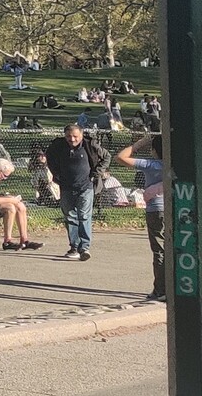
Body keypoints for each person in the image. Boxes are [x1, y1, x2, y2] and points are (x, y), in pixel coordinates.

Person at [114, 135, 168, 301]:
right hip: (173, 207)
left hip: (156, 209)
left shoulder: (152, 165)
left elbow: (121, 157)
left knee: (159, 249)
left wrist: (139, 144)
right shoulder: (176, 165)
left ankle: (161, 289)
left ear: (154, 150)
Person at [44, 124, 108, 261]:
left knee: (84, 216)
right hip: (66, 187)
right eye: (69, 136)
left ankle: (84, 247)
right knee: (70, 216)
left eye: (75, 136)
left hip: (86, 187)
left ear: (81, 134)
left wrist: (96, 174)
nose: (72, 139)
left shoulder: (90, 145)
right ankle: (74, 246)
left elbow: (106, 157)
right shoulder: (58, 146)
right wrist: (56, 174)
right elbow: (48, 157)